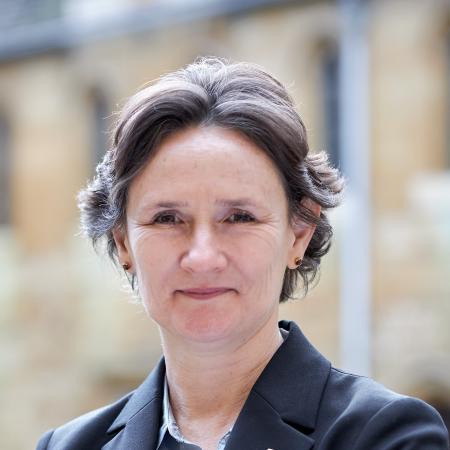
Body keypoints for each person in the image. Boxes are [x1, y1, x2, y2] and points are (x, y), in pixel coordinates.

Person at [36, 58, 449, 450]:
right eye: (166, 218)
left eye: (238, 217)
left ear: (299, 234)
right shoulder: (69, 445)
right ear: (123, 241)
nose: (202, 257)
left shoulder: (385, 435)